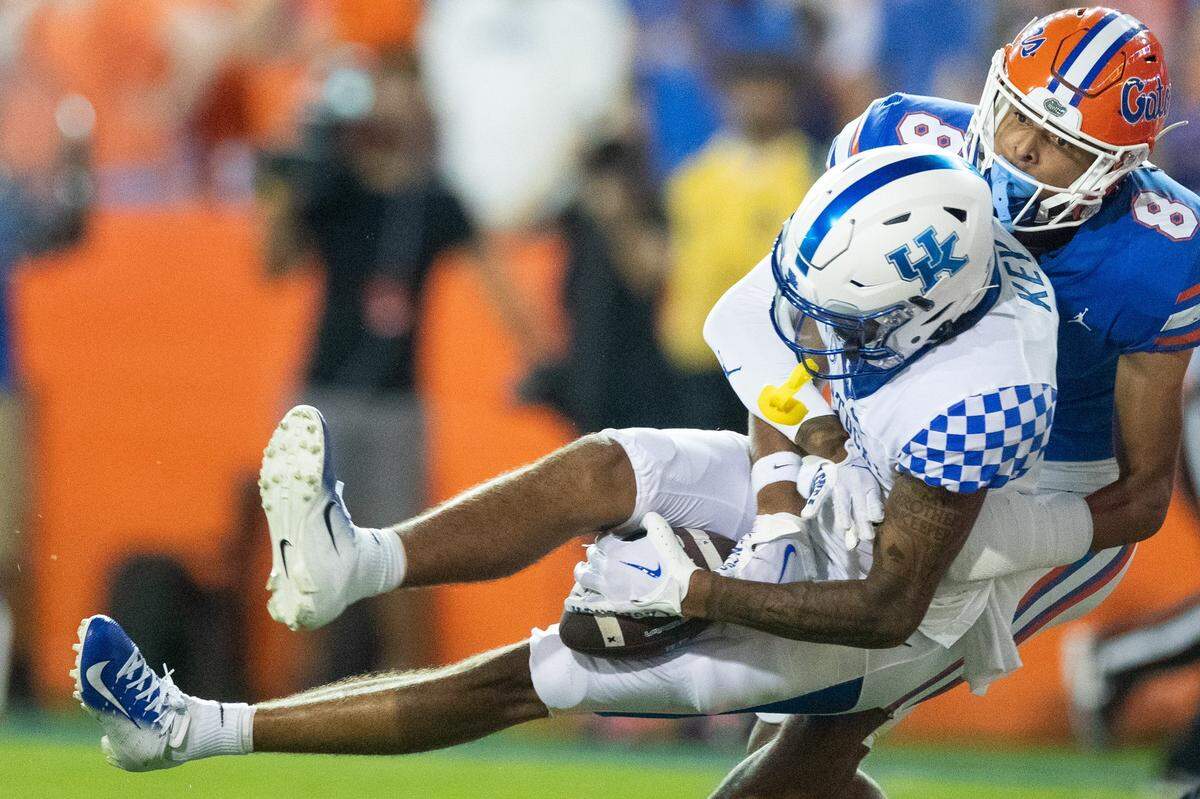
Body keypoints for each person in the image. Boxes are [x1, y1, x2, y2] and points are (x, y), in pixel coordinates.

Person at [73, 148, 1118, 799]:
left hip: (903, 599)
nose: (820, 334)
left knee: (531, 678)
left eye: (843, 324)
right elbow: (754, 342)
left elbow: (893, 605)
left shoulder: (982, 397)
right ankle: (357, 560)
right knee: (613, 464)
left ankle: (190, 730)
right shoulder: (900, 203)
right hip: (861, 499)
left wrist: (706, 589)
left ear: (918, 319)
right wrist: (771, 520)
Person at [709, 8, 1200, 787]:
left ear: (1116, 168)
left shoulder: (1155, 253)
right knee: (790, 736)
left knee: (818, 737)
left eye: (1064, 146)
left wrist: (991, 536)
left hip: (1052, 490)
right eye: (1017, 118)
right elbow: (797, 316)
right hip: (901, 441)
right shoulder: (896, 139)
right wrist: (818, 451)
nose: (1023, 150)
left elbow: (1141, 496)